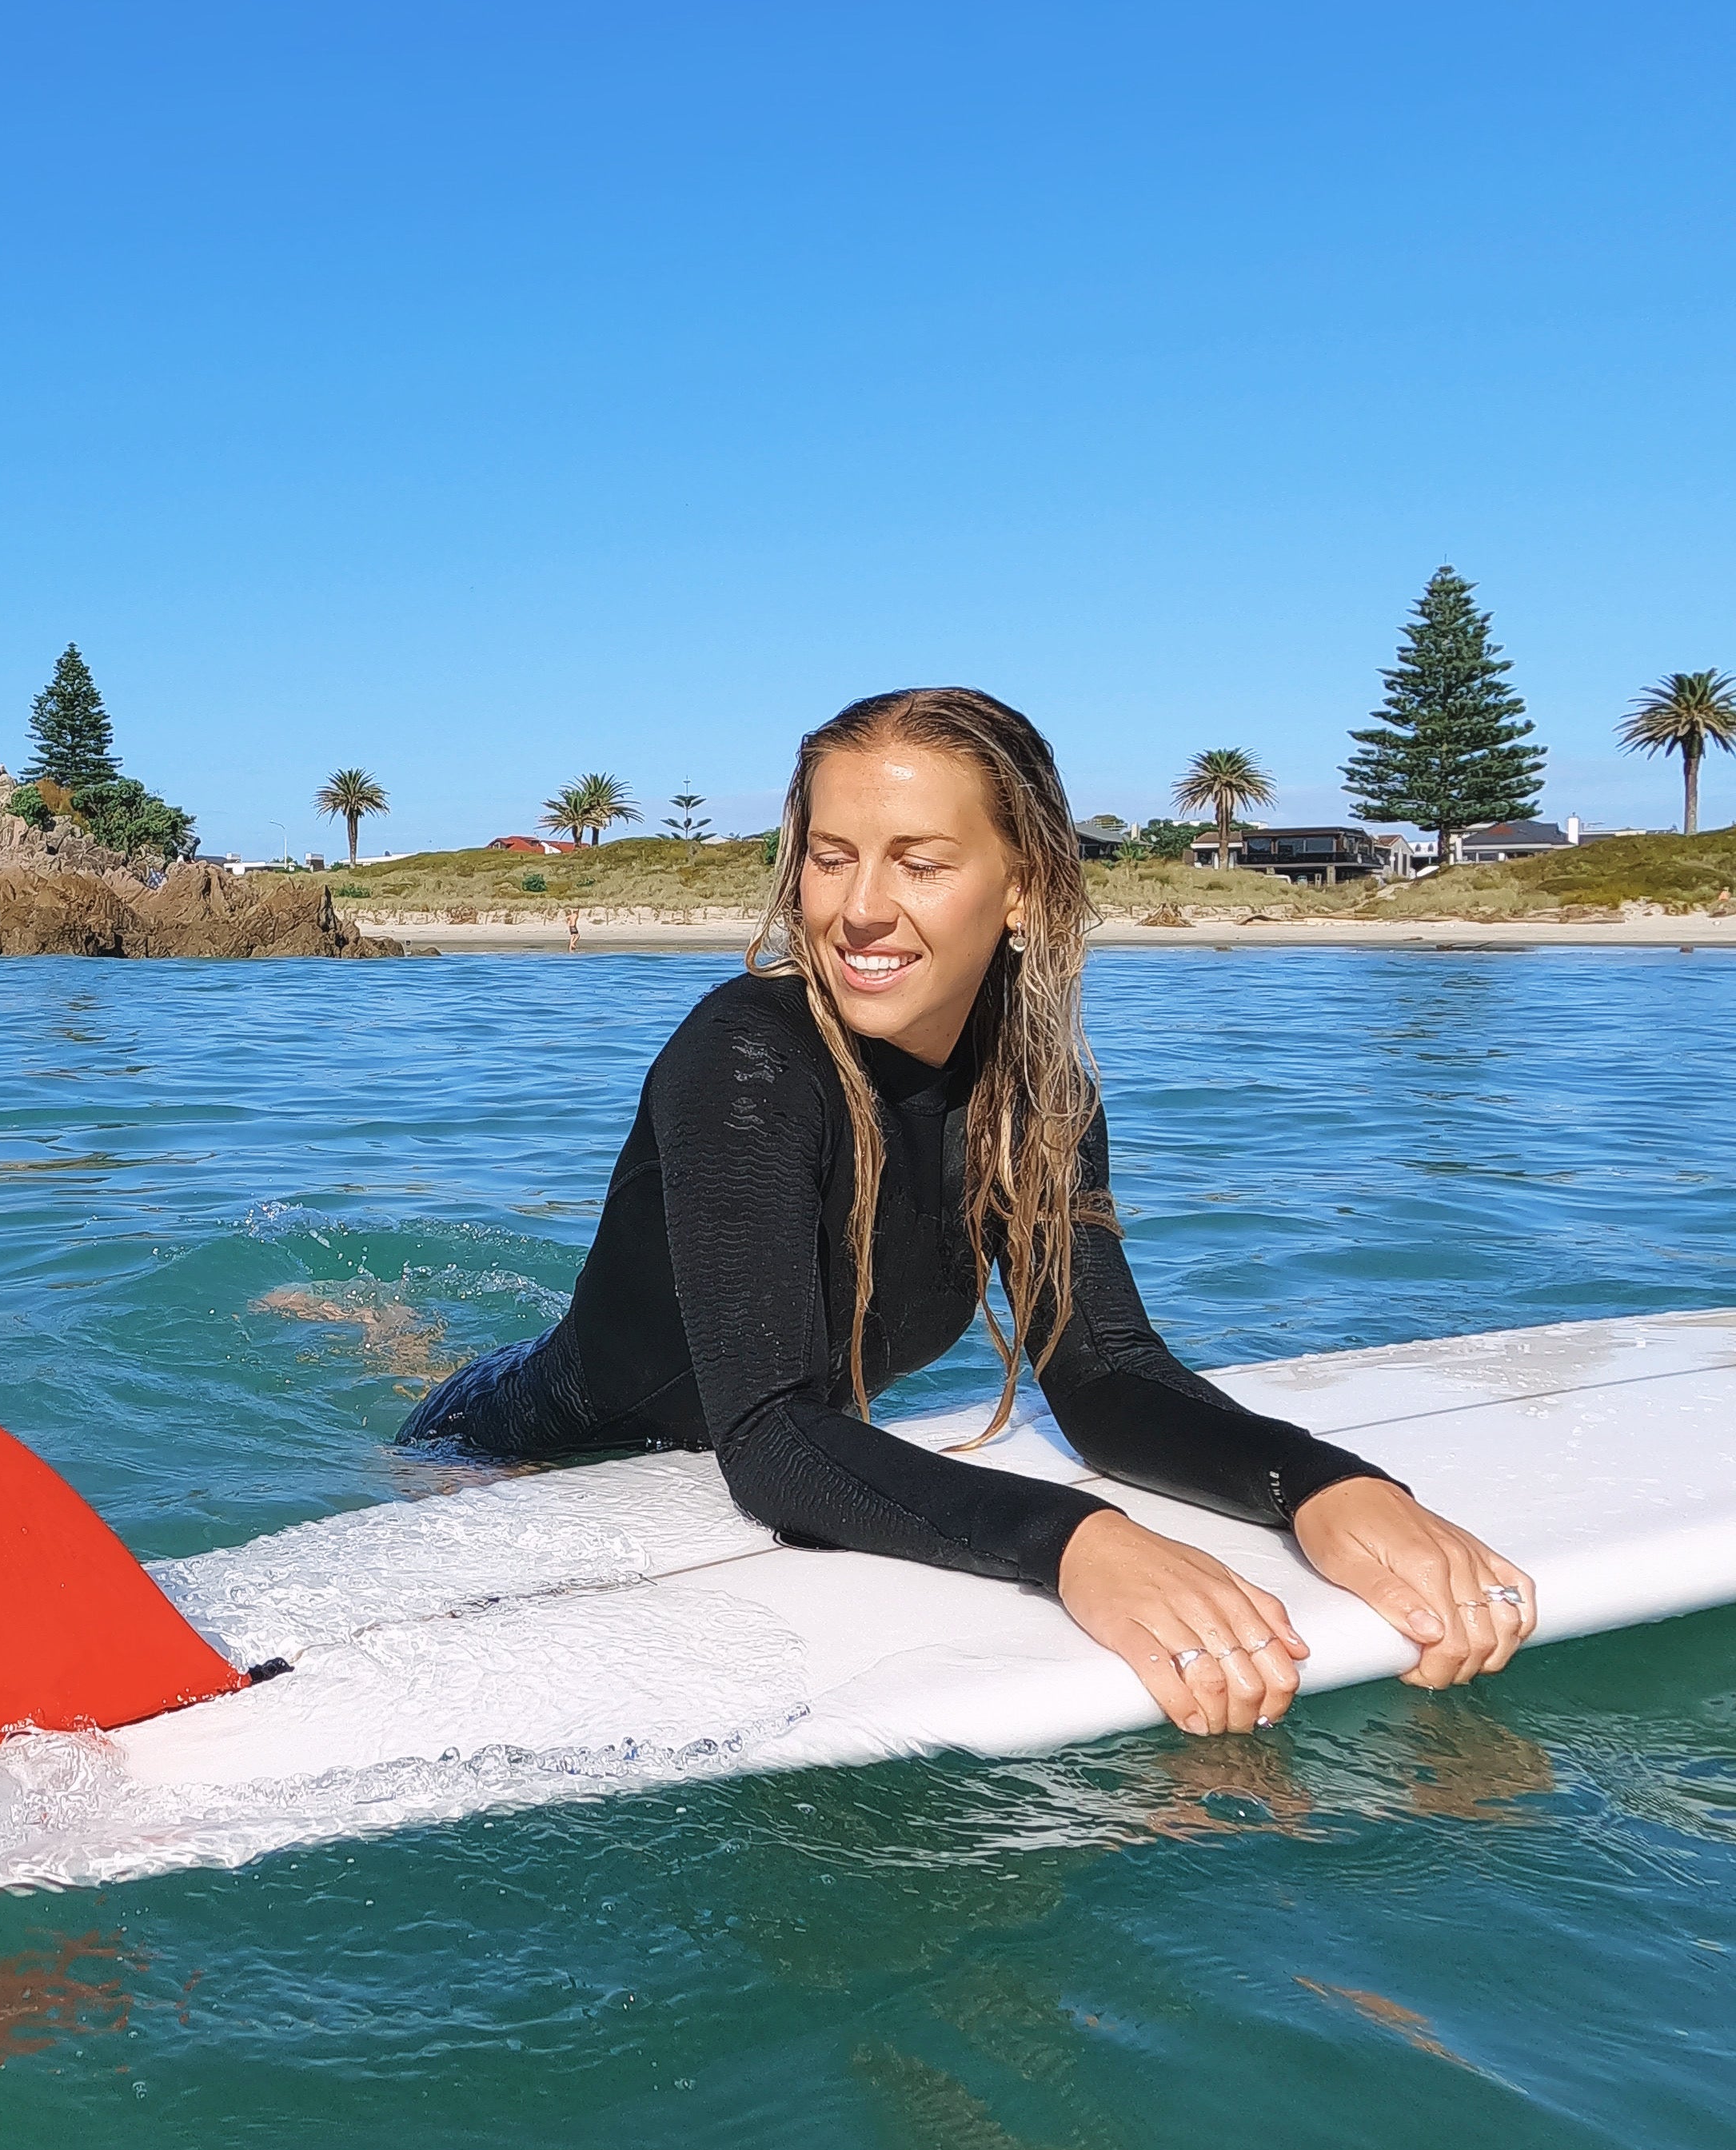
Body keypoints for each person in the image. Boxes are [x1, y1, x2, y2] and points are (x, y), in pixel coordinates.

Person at [400, 687, 1536, 1739]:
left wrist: (1321, 1485)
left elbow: (1105, 1374)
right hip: (516, 1456)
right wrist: (1076, 1542)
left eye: (921, 863)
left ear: (1025, 885)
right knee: (438, 1379)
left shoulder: (1037, 1089)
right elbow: (771, 1440)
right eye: (830, 858)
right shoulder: (744, 1059)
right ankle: (376, 1338)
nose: (858, 910)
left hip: (749, 1455)